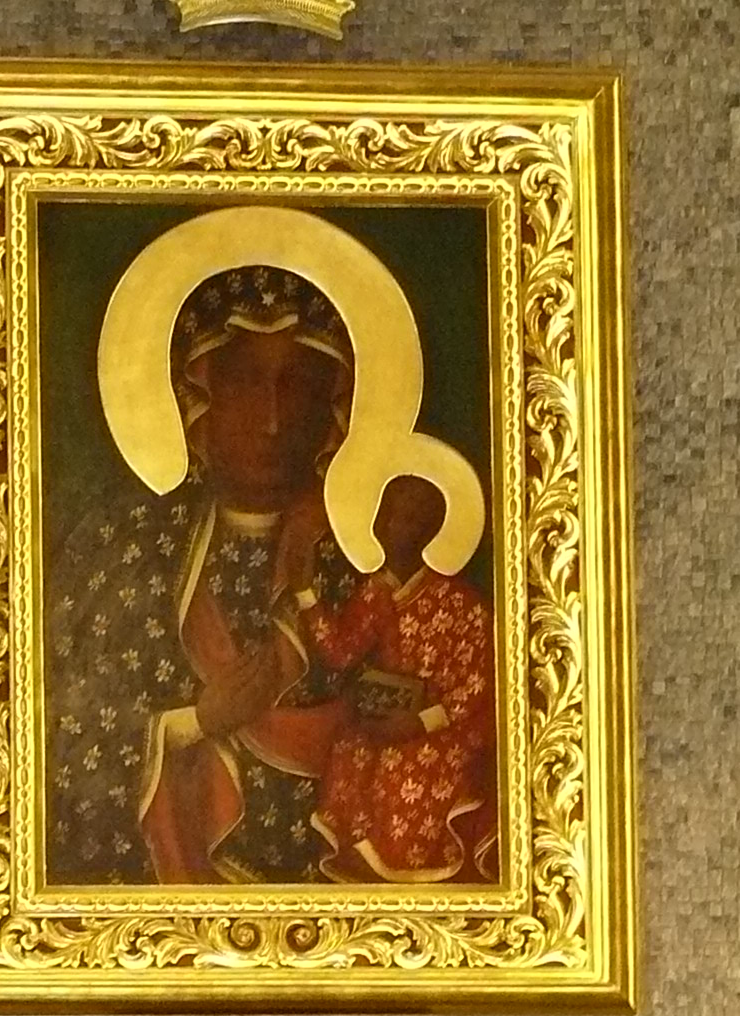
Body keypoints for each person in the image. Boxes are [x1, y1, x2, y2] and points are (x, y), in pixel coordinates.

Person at [48, 264, 364, 885]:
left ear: (330, 408)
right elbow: (59, 734)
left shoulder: (357, 558)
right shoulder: (126, 548)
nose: (271, 419)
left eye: (297, 386)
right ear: (198, 400)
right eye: (245, 384)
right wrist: (197, 721)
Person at [288, 473, 497, 882]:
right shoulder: (376, 592)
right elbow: (341, 652)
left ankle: (407, 872)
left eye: (402, 517)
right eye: (384, 512)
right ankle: (362, 867)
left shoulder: (461, 603)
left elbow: (476, 683)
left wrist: (419, 722)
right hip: (389, 719)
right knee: (350, 747)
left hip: (444, 728)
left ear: (427, 530)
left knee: (403, 766)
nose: (386, 525)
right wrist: (304, 592)